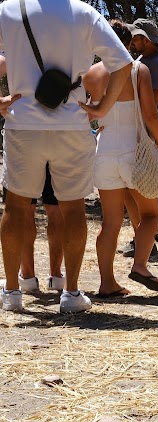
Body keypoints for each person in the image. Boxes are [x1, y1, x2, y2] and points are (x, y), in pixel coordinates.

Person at [0, 0, 133, 313]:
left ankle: (11, 291)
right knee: (73, 208)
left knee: (16, 206)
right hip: (72, 125)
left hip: (23, 124)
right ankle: (71, 294)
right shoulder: (84, 13)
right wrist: (102, 109)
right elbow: (123, 63)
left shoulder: (9, 9)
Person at [83, 20, 158, 297]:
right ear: (128, 41)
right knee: (150, 215)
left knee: (109, 222)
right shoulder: (138, 69)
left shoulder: (91, 73)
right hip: (134, 151)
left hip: (104, 149)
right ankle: (140, 266)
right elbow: (150, 114)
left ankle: (107, 284)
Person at [0, 55, 65, 293]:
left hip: (23, 131)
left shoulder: (17, 49)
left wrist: (2, 100)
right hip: (61, 130)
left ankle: (27, 277)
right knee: (55, 208)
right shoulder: (63, 45)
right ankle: (57, 276)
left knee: (21, 208)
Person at [119, 18, 158, 260]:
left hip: (144, 135)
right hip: (132, 132)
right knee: (130, 192)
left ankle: (147, 243)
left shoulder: (157, 65)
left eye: (136, 37)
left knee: (144, 191)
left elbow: (154, 101)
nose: (132, 41)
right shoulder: (141, 61)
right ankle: (141, 241)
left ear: (146, 39)